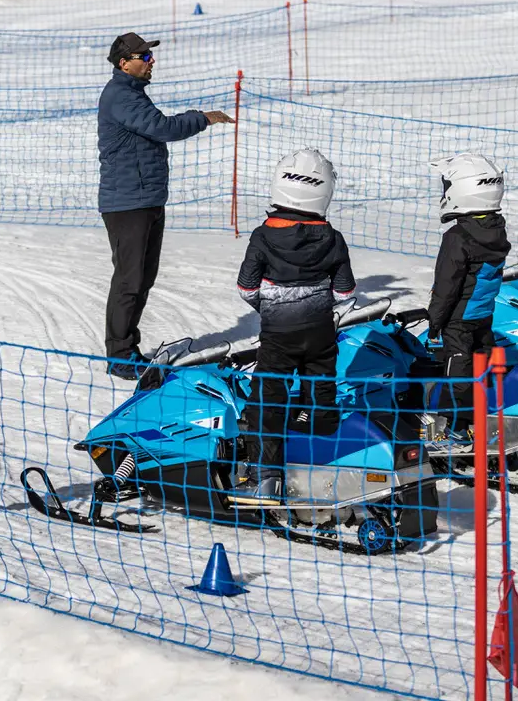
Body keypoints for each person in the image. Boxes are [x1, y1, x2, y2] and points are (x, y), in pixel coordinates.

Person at [97, 32, 235, 380]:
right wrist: (203, 117)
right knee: (130, 280)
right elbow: (162, 128)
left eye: (149, 55)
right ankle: (121, 355)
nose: (150, 61)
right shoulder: (120, 96)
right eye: (143, 56)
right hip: (128, 204)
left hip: (145, 199)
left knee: (143, 278)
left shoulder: (132, 94)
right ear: (123, 63)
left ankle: (129, 348)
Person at [228, 149, 356, 506]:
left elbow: (246, 288)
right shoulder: (332, 238)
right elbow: (345, 293)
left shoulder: (262, 236)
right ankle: (326, 463)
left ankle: (266, 478)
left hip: (278, 335)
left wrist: (271, 308)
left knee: (268, 399)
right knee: (319, 394)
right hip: (320, 332)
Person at [425, 153, 511, 451]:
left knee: (455, 374)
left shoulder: (458, 237)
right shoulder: (495, 228)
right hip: (483, 313)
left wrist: (434, 321)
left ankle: (455, 430)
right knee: (480, 367)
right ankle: (483, 421)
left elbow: (446, 286)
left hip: (458, 319)